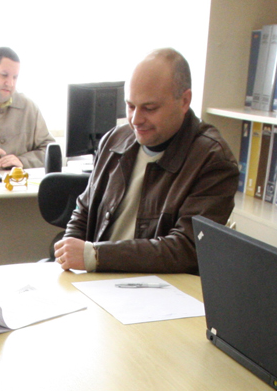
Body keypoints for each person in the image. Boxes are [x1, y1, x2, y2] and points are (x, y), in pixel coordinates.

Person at [55, 49, 237, 275]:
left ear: (184, 101)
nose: (135, 120)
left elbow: (186, 248)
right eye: (130, 106)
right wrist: (69, 254)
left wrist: (95, 256)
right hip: (98, 280)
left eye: (149, 108)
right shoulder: (115, 139)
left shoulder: (213, 159)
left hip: (157, 289)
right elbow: (84, 209)